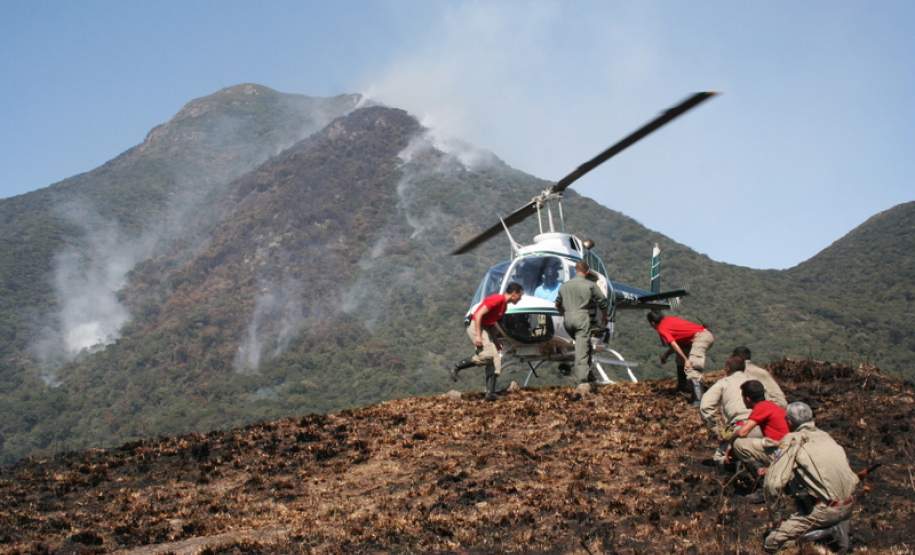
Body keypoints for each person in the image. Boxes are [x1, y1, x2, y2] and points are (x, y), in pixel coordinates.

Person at [762, 402, 859, 553]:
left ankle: (822, 534)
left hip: (826, 510)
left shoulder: (793, 439)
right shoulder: (825, 436)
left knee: (771, 542)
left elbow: (773, 484)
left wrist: (776, 520)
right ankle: (833, 530)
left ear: (788, 421)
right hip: (849, 505)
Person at [451, 283, 524, 401]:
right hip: (475, 324)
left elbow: (491, 324)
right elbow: (478, 315)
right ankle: (457, 366)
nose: (520, 298)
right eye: (520, 295)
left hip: (484, 327)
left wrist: (495, 341)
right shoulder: (498, 299)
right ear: (514, 293)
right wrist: (478, 336)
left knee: (496, 358)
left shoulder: (504, 306)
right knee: (488, 355)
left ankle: (490, 394)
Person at [555, 261, 609, 385]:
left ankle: (588, 374)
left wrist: (564, 313)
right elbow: (603, 302)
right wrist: (605, 316)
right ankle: (582, 381)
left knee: (585, 345)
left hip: (567, 321)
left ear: (575, 270)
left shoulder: (564, 286)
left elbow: (557, 304)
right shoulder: (590, 285)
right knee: (581, 351)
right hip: (581, 319)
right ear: (587, 271)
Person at [700, 356, 760, 463]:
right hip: (760, 424)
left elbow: (705, 406)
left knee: (719, 456)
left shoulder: (724, 383)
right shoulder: (756, 382)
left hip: (737, 424)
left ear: (727, 368)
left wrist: (717, 430)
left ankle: (731, 465)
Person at [646, 311, 715, 403]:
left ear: (652, 323)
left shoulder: (661, 328)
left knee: (693, 364)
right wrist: (666, 355)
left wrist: (686, 360)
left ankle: (698, 398)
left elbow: (674, 344)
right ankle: (683, 386)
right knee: (680, 359)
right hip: (699, 337)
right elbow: (679, 343)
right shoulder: (668, 319)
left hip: (701, 337)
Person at [730, 380, 789, 469]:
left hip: (779, 451)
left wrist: (731, 439)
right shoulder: (772, 405)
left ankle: (760, 470)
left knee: (738, 444)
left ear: (747, 399)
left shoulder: (761, 407)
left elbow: (742, 432)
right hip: (786, 446)